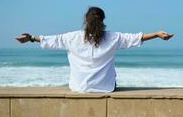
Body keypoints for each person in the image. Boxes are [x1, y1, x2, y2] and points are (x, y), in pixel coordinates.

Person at [15, 7, 174, 93]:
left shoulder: (72, 37)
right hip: (106, 88)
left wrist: (30, 38)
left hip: (79, 88)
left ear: (85, 20)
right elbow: (136, 38)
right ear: (103, 20)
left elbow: (50, 40)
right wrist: (156, 34)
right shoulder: (113, 37)